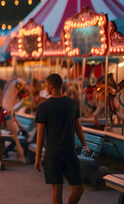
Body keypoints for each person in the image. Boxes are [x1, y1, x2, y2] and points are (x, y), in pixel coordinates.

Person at [35, 73, 88, 204]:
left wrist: (37, 157)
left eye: (46, 85)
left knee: (57, 189)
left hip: (53, 154)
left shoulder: (43, 107)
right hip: (69, 152)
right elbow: (78, 127)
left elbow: (40, 134)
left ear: (51, 86)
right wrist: (84, 144)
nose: (46, 88)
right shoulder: (72, 104)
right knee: (78, 188)